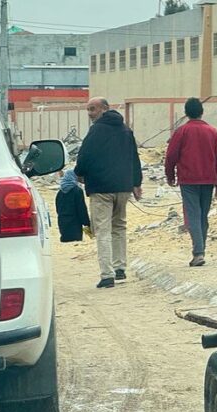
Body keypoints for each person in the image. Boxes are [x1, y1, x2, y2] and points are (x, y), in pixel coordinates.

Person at [74, 97, 143, 289]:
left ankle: (107, 275)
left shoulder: (96, 130)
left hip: (101, 188)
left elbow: (85, 155)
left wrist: (79, 173)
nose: (90, 113)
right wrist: (136, 183)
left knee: (102, 230)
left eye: (93, 109)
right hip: (123, 187)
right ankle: (120, 267)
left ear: (104, 109)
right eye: (88, 109)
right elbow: (134, 157)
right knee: (119, 226)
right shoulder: (125, 129)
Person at [165, 97, 217, 267]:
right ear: (202, 112)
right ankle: (201, 250)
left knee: (192, 215)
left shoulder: (181, 132)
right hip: (208, 180)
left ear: (186, 113)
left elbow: (171, 156)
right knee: (202, 216)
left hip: (188, 180)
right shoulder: (212, 132)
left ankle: (198, 252)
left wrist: (170, 175)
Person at [55, 169, 90, 243]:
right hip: (75, 223)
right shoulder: (77, 191)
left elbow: (57, 209)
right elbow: (81, 209)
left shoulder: (59, 193)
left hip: (62, 222)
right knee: (75, 243)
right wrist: (87, 223)